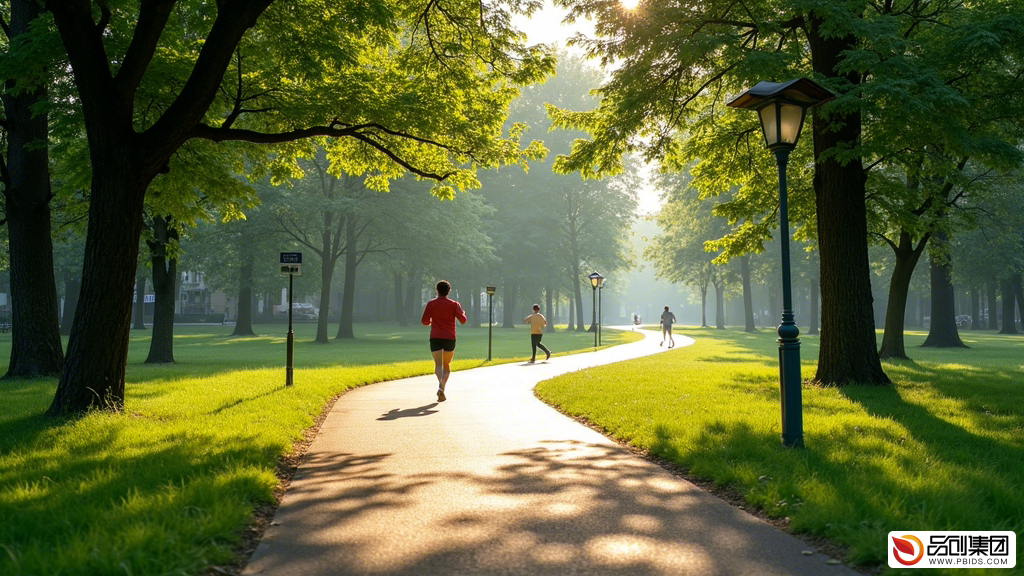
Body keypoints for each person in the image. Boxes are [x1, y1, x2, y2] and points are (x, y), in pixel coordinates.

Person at [421, 280, 467, 402]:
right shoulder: (454, 304)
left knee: (438, 365)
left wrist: (431, 321)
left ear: (437, 290)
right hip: (449, 338)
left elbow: (424, 321)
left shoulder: (431, 304)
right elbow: (463, 320)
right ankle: (442, 387)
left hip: (435, 337)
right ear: (448, 291)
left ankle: (441, 386)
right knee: (446, 365)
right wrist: (462, 313)